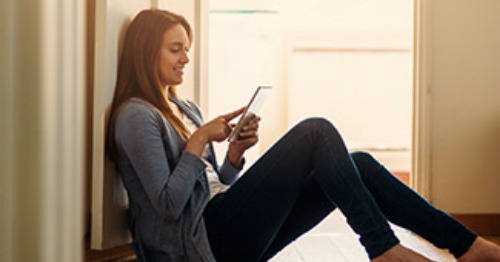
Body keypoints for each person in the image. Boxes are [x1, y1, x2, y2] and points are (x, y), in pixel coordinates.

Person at [107, 8, 500, 262]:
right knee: (316, 132)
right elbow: (168, 205)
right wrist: (198, 142)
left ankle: (466, 244)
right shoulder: (136, 116)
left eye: (187, 49)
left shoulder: (184, 106)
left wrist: (233, 157)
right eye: (175, 49)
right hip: (204, 244)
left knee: (358, 162)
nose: (186, 59)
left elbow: (213, 184)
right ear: (146, 52)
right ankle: (382, 247)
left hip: (224, 225)